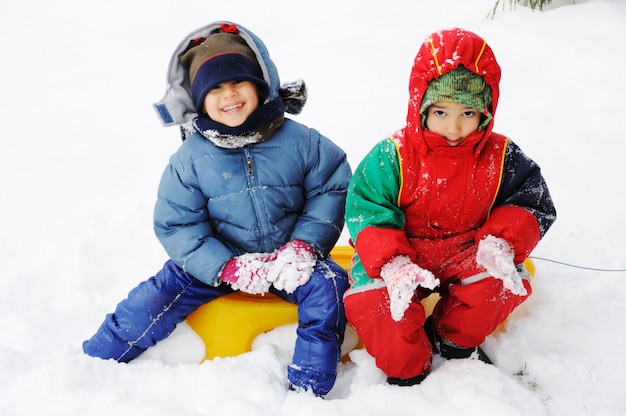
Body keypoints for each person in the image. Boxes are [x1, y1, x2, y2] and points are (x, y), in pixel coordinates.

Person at [83, 21, 352, 397]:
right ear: (199, 99)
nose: (230, 95)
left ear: (260, 85)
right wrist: (224, 265)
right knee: (160, 291)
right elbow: (177, 224)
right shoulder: (190, 160)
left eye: (239, 82)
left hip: (289, 261)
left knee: (329, 286)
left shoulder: (302, 142)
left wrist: (303, 247)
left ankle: (309, 386)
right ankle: (98, 357)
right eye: (215, 88)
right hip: (222, 261)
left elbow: (331, 188)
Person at [343, 28, 556, 386]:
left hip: (467, 247)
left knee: (499, 284)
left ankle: (451, 338)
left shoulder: (501, 157)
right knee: (377, 306)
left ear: (486, 112)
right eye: (440, 111)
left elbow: (531, 201)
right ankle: (408, 368)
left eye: (468, 113)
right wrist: (391, 262)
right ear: (420, 104)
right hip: (403, 253)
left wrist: (501, 242)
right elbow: (368, 208)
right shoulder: (392, 155)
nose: (454, 127)